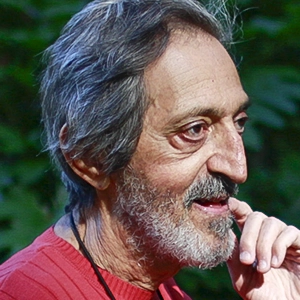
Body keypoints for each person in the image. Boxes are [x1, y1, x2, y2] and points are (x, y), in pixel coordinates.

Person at [1, 0, 300, 299]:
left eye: (239, 122)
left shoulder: (163, 288)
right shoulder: (27, 292)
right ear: (91, 156)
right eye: (194, 130)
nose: (238, 168)